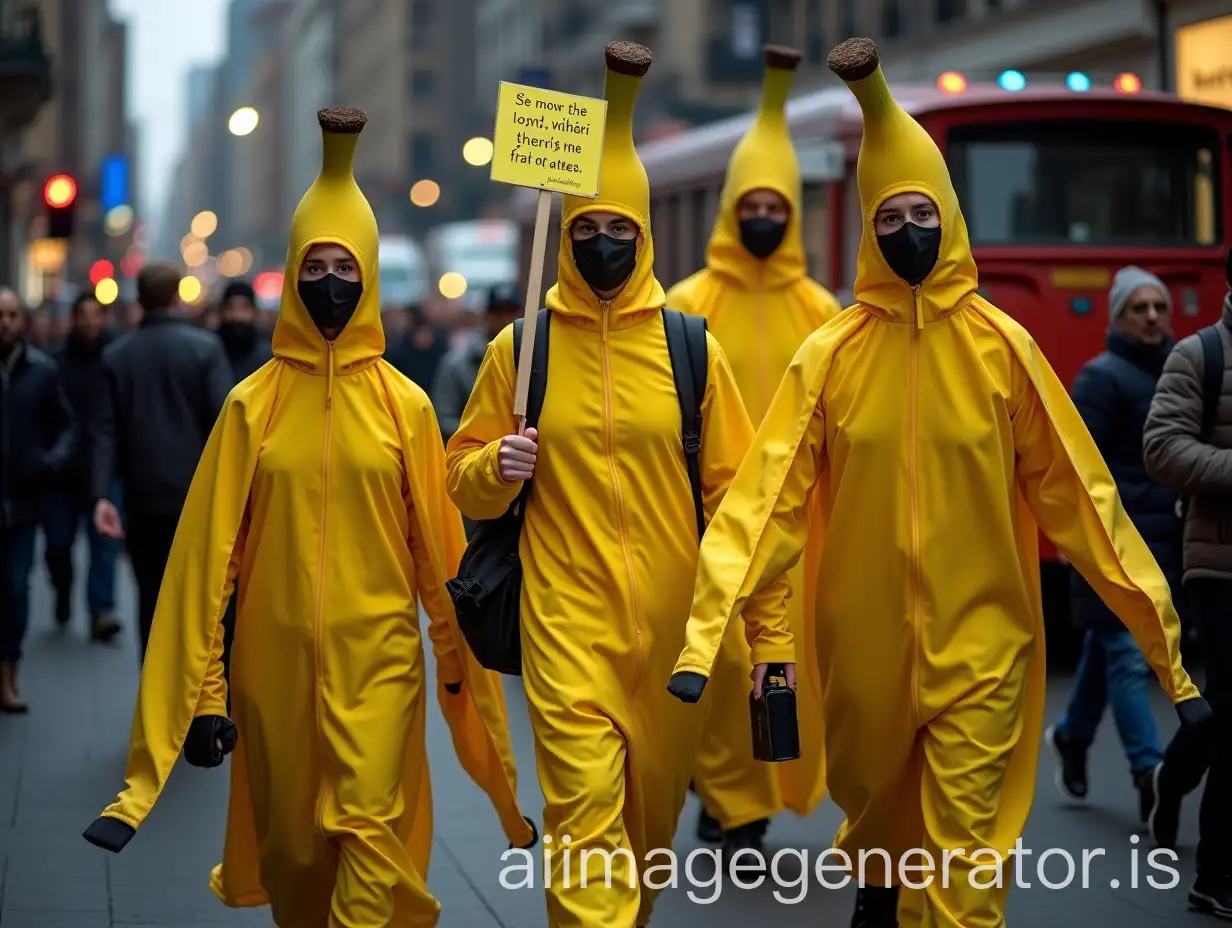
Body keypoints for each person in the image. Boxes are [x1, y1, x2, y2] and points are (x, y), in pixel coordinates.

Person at [666, 38, 1209, 928]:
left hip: (984, 645)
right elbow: (764, 499)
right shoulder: (830, 354)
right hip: (863, 649)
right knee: (880, 811)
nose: (904, 231)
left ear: (950, 218)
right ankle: (878, 889)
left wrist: (1165, 648)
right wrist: (705, 636)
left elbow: (1082, 496)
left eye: (921, 212)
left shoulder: (1006, 348)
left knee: (963, 862)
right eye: (887, 218)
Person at [81, 107, 536, 927]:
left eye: (347, 265)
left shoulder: (406, 408)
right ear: (292, 273)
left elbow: (437, 553)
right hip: (274, 676)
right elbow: (207, 565)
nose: (332, 281)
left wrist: (457, 666)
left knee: (366, 834)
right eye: (316, 264)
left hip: (382, 667)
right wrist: (209, 696)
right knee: (295, 858)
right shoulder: (249, 407)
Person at [446, 42, 791, 928]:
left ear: (644, 239)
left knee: (645, 838)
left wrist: (768, 641)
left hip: (679, 645)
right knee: (584, 824)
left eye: (620, 234)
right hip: (563, 628)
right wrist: (497, 467)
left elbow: (741, 507)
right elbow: (462, 482)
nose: (602, 247)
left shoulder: (691, 350)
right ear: (562, 239)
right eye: (585, 233)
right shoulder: (520, 351)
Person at [667, 42, 841, 856]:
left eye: (778, 206)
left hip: (797, 527)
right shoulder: (686, 308)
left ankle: (764, 787)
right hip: (710, 520)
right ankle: (732, 800)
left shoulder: (820, 308)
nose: (764, 219)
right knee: (723, 662)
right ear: (730, 211)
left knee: (784, 667)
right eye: (751, 207)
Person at [1045, 266, 1184, 819]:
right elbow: (1077, 470)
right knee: (1127, 656)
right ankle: (1149, 771)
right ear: (1118, 318)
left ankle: (1074, 736)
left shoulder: (1179, 370)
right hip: (1110, 545)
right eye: (1139, 308)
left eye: (1159, 308)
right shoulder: (1099, 379)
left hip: (1165, 544)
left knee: (1110, 652)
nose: (1152, 317)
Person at [1142, 245, 1232, 917]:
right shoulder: (1202, 354)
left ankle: (1171, 777)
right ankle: (1217, 874)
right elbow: (1163, 446)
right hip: (1220, 566)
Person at [91, 262, 234, 661]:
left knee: (150, 594)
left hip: (142, 496)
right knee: (200, 600)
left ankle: (154, 690)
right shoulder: (205, 348)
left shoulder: (117, 356)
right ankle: (195, 692)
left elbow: (105, 432)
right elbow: (223, 425)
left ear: (140, 300)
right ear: (177, 297)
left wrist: (102, 494)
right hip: (198, 497)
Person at [0, 288, 77, 711]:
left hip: (25, 502)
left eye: (12, 314)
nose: (5, 322)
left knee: (15, 587)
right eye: (1, 315)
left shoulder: (42, 371)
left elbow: (66, 425)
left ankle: (8, 672)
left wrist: (49, 462)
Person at [44, 291, 123, 642]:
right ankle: (62, 590)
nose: (90, 321)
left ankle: (101, 611)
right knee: (58, 545)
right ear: (74, 319)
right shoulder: (54, 363)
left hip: (104, 470)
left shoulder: (117, 359)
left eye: (96, 315)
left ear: (105, 318)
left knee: (104, 544)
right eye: (84, 315)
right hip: (61, 473)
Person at [432, 283, 522, 444]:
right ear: (486, 316)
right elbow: (444, 417)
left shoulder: (535, 357)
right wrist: (486, 441)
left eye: (511, 312)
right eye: (497, 313)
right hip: (478, 457)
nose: (505, 320)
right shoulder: (457, 363)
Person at [215, 279, 273, 381]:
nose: (237, 316)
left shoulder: (268, 358)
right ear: (222, 312)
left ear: (254, 313)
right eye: (230, 308)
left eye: (244, 309)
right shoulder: (209, 352)